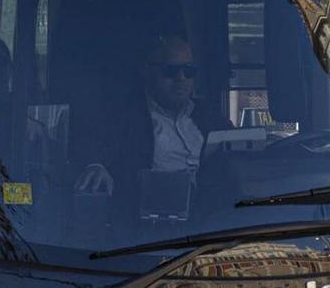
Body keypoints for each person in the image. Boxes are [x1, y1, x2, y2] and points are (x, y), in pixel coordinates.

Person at [76, 35, 230, 201]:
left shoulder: (209, 116)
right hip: (151, 214)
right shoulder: (124, 115)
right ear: (146, 70)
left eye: (189, 70)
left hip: (214, 211)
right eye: (170, 70)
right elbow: (91, 143)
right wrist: (95, 166)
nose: (181, 78)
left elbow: (239, 148)